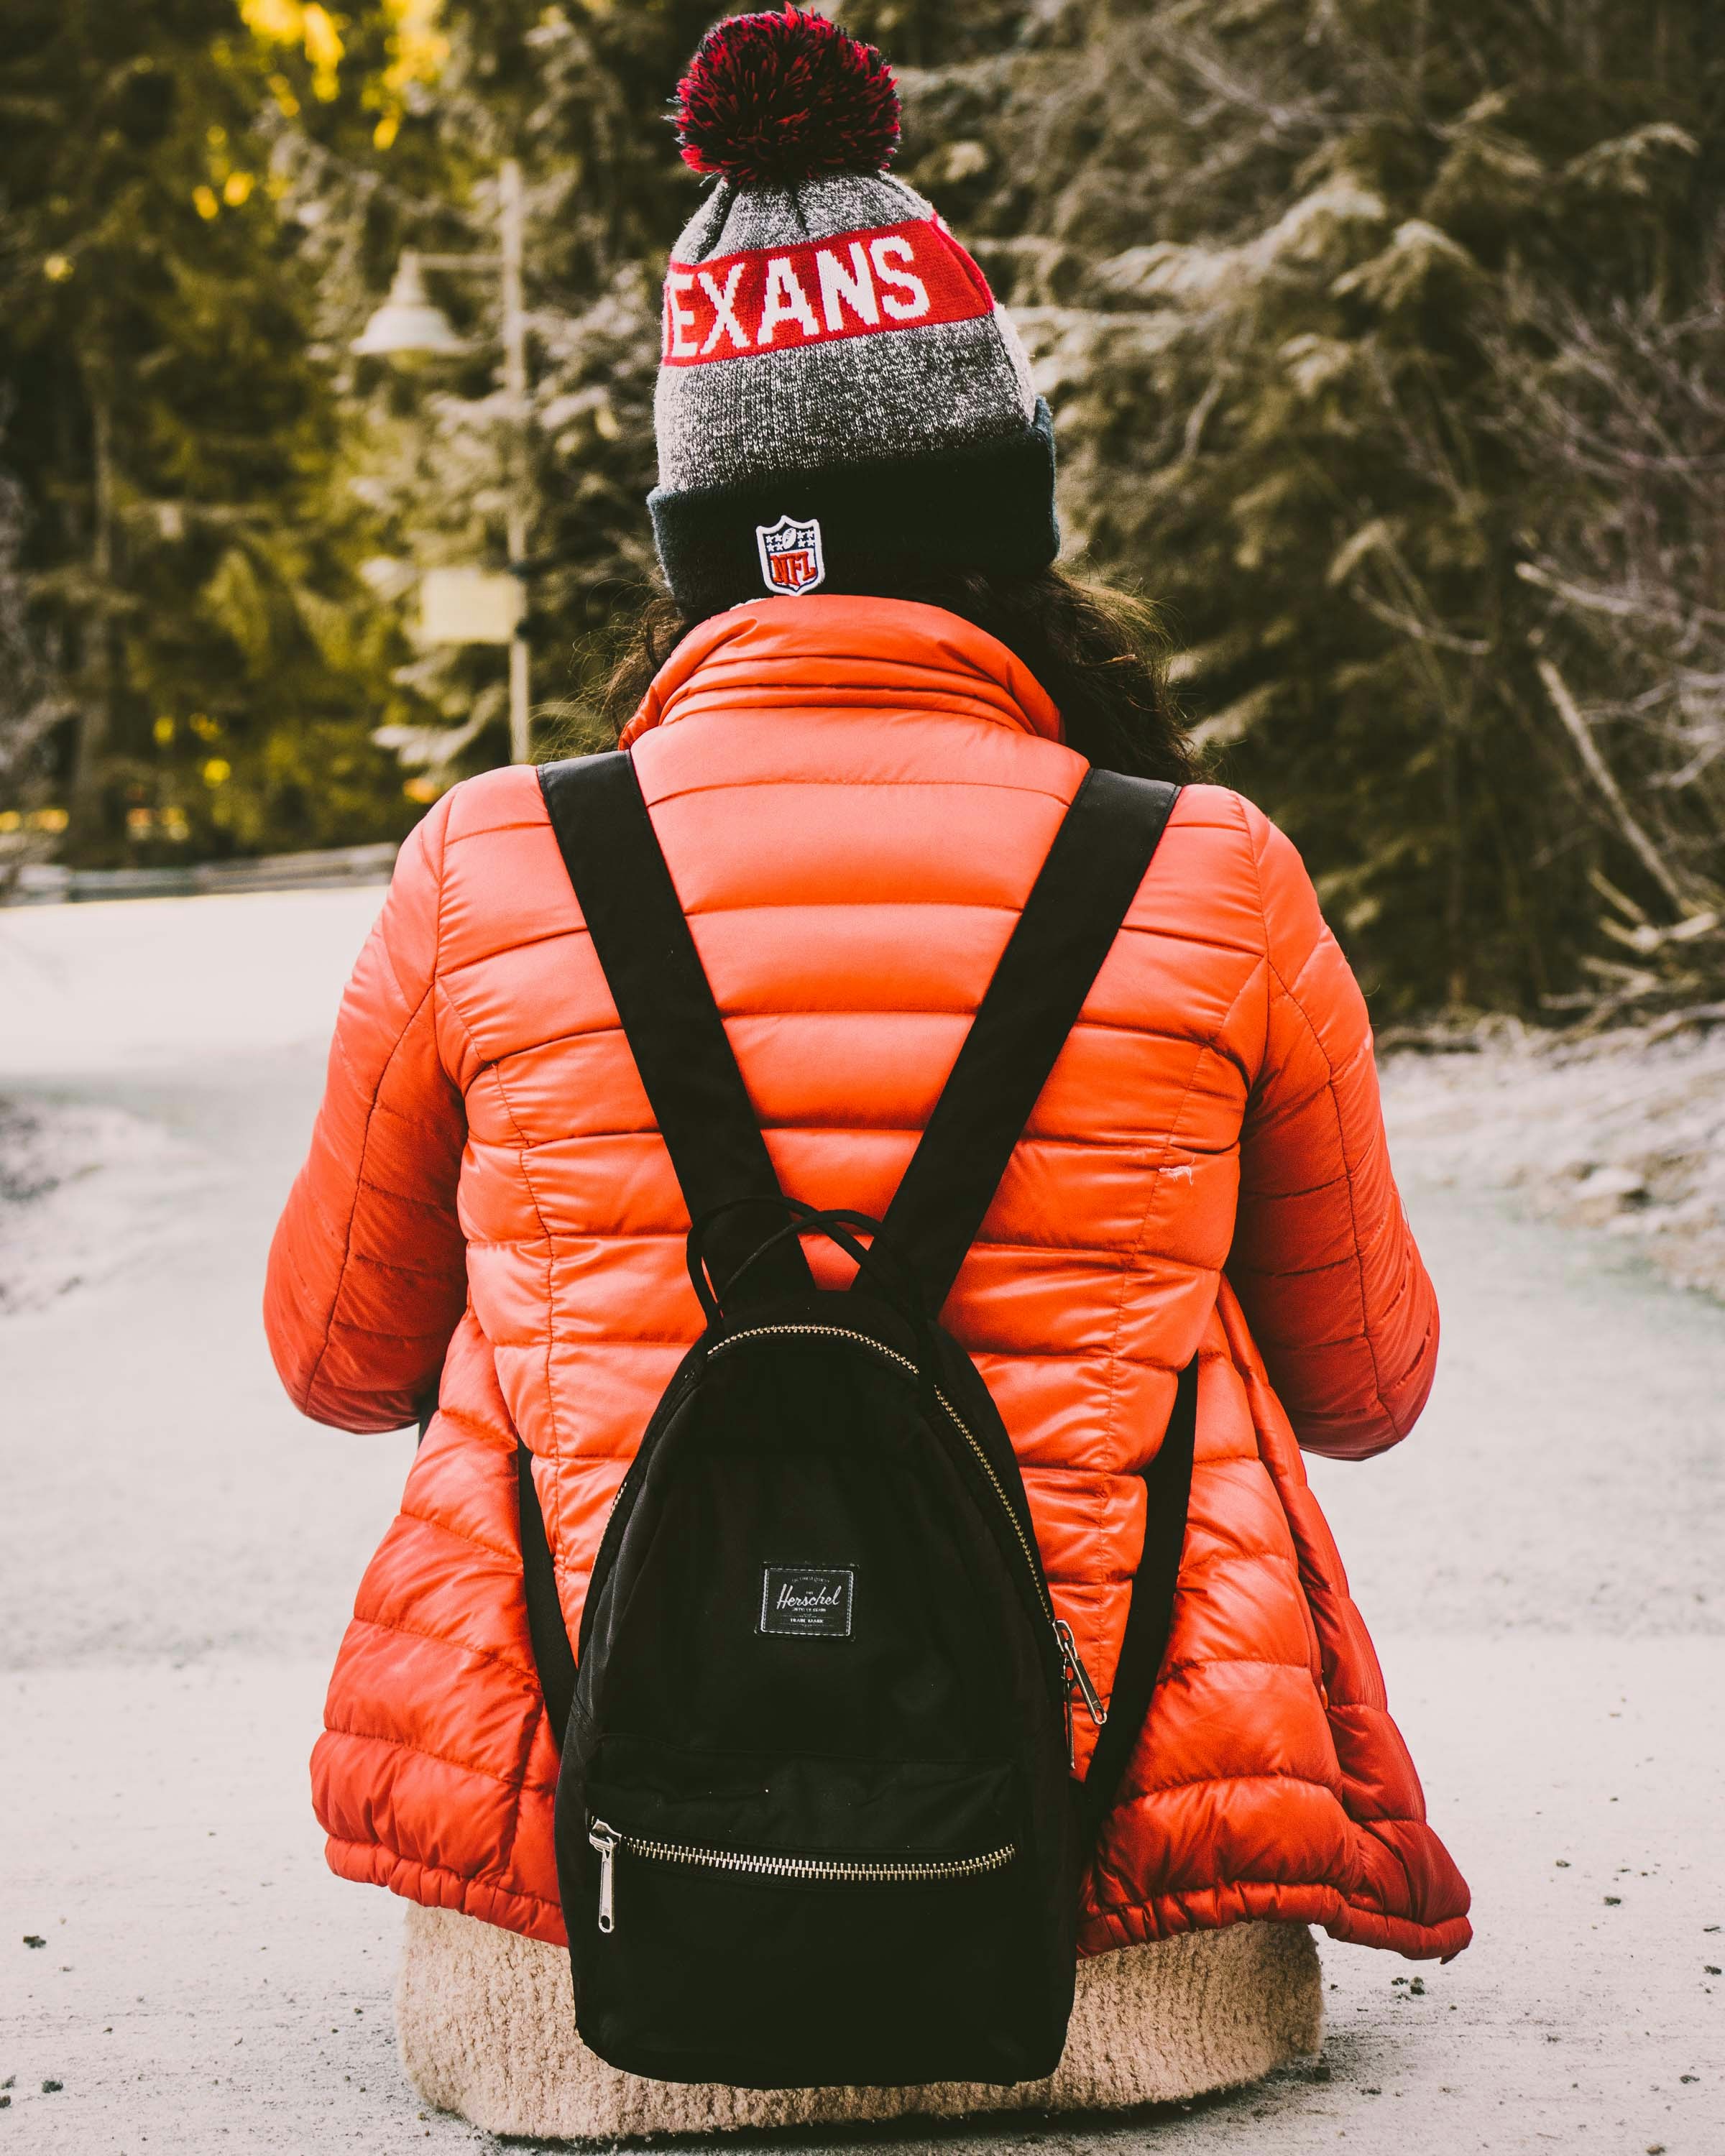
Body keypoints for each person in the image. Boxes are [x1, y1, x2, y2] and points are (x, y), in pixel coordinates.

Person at [264, 6, 1468, 2138]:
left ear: (702, 544)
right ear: (1005, 515)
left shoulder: (488, 864)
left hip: (587, 1977)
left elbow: (343, 1364)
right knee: (1178, 1320)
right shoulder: (1210, 872)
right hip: (1130, 1971)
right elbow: (1366, 1391)